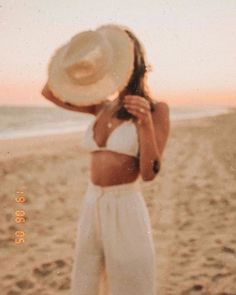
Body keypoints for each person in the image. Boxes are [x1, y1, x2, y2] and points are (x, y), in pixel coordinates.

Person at [42, 24, 170, 295]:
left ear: (134, 64)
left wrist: (145, 123)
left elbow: (150, 173)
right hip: (92, 203)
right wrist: (78, 57)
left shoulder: (157, 110)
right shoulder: (100, 106)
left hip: (125, 205)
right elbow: (49, 92)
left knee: (131, 281)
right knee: (85, 279)